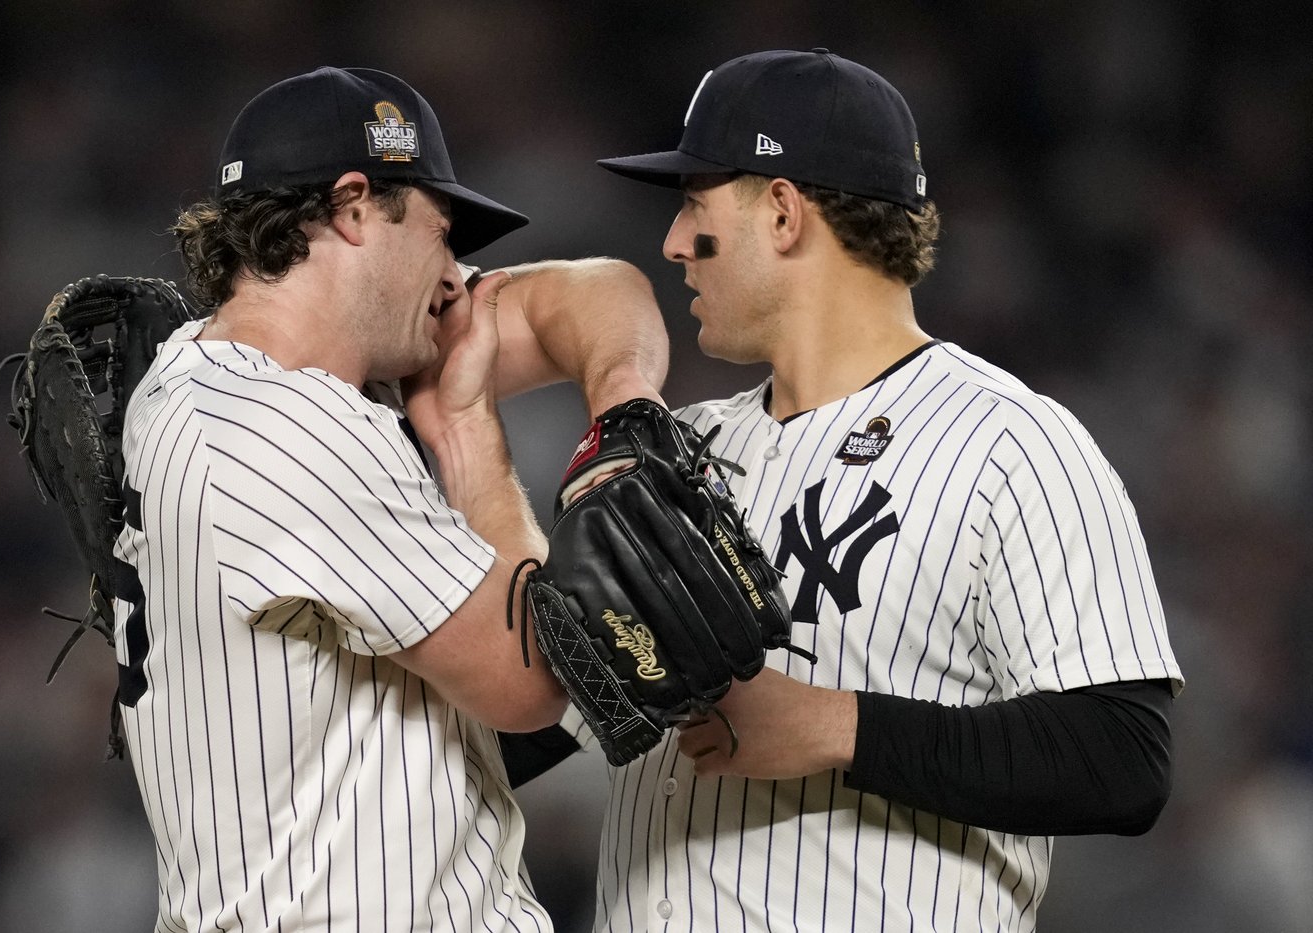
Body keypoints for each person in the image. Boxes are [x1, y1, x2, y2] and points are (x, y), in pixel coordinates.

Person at [505, 49, 1184, 931]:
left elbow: (1125, 757)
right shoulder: (684, 448)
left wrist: (836, 727)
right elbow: (529, 728)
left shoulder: (1011, 442)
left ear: (783, 212)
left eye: (695, 203)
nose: (673, 241)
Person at [114, 65, 668, 932]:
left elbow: (601, 289)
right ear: (353, 208)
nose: (454, 276)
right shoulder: (289, 425)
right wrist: (468, 434)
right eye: (441, 233)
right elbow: (531, 678)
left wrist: (625, 396)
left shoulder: (195, 375)